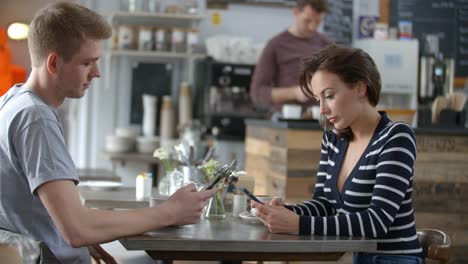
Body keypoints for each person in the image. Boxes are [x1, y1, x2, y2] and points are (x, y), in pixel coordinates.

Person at [0, 2, 214, 264]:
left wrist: (83, 235)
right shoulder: (36, 118)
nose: (97, 73)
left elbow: (21, 209)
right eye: (87, 62)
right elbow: (77, 229)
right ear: (54, 63)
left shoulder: (11, 101)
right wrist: (170, 212)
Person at [252, 45, 425, 264]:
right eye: (318, 100)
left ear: (360, 88)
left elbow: (377, 222)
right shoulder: (333, 139)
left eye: (330, 96)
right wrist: (282, 212)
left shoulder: (396, 137)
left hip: (393, 259)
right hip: (351, 257)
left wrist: (298, 224)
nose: (322, 109)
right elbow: (324, 204)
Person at [249, 0, 334, 112]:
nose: (313, 27)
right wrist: (295, 92)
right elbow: (257, 93)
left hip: (322, 119)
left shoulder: (328, 45)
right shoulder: (276, 45)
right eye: (307, 21)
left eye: (318, 22)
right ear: (296, 12)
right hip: (286, 120)